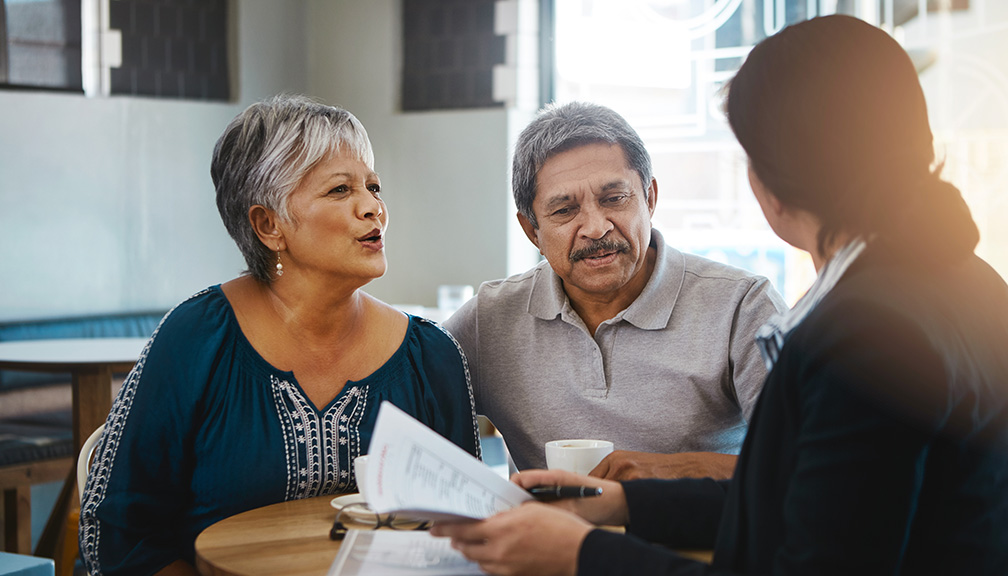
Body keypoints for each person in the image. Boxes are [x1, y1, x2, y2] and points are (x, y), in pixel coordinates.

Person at [432, 14, 1008, 576]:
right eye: (564, 209)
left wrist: (581, 555)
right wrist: (623, 505)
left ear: (774, 183)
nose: (596, 227)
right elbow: (812, 507)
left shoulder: (867, 336)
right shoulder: (967, 282)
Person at [79, 94, 481, 576]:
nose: (373, 207)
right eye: (340, 190)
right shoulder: (195, 340)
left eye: (373, 187)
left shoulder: (431, 357)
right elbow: (123, 531)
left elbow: (470, 530)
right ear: (268, 225)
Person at [443, 101, 786, 480]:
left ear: (650, 199)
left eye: (614, 199)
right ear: (532, 231)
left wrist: (669, 471)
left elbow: (803, 466)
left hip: (700, 539)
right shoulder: (489, 319)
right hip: (549, 539)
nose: (595, 227)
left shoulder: (743, 306)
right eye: (564, 210)